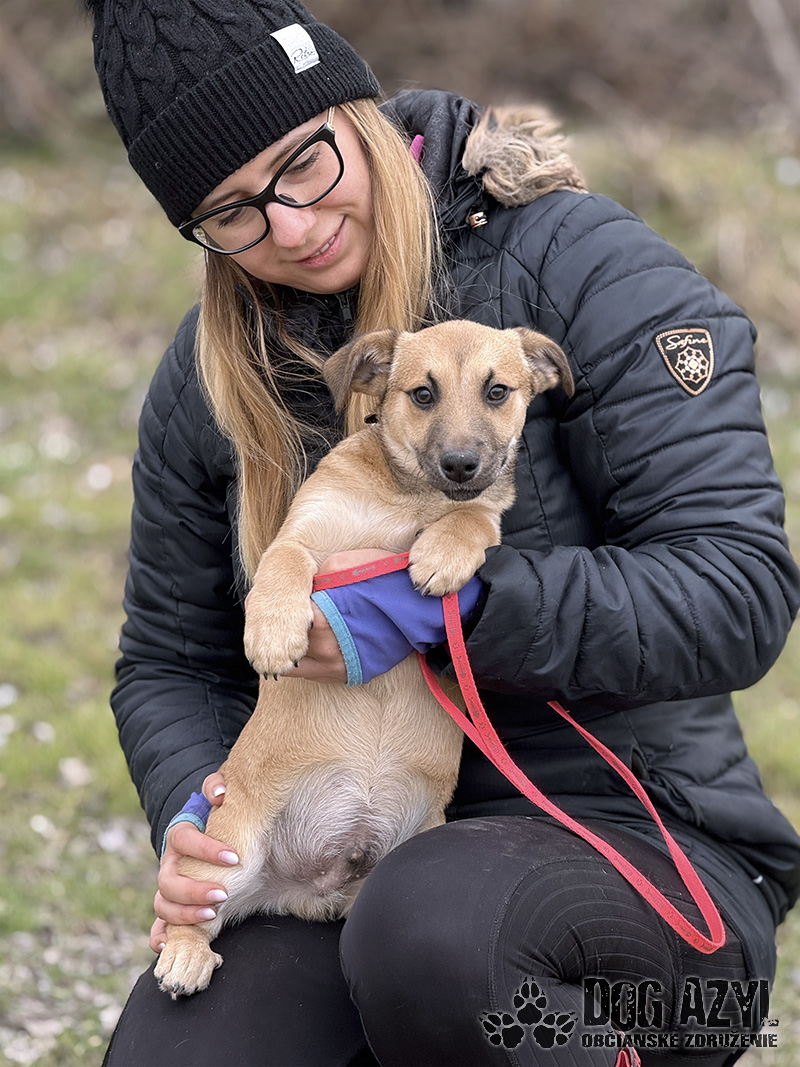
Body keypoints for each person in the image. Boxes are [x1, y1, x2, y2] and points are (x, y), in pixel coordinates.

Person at [83, 1, 800, 1064]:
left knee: (432, 932)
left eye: (303, 162)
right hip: (353, 838)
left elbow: (735, 589)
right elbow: (169, 660)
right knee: (182, 1049)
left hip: (638, 844)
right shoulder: (208, 376)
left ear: (356, 112)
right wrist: (204, 812)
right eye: (230, 212)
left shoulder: (585, 265)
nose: (290, 226)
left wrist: (452, 606)